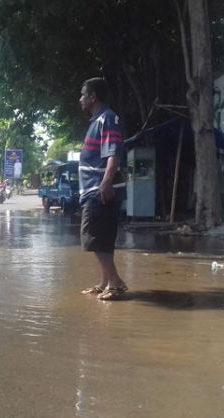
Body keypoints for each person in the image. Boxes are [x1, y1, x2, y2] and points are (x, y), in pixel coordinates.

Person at [77, 77, 127, 300]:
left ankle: (115, 283)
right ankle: (105, 282)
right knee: (102, 238)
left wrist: (105, 183)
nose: (80, 99)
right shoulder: (97, 120)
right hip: (95, 190)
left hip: (100, 191)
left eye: (83, 95)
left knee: (94, 238)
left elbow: (113, 153)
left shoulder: (107, 119)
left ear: (92, 97)